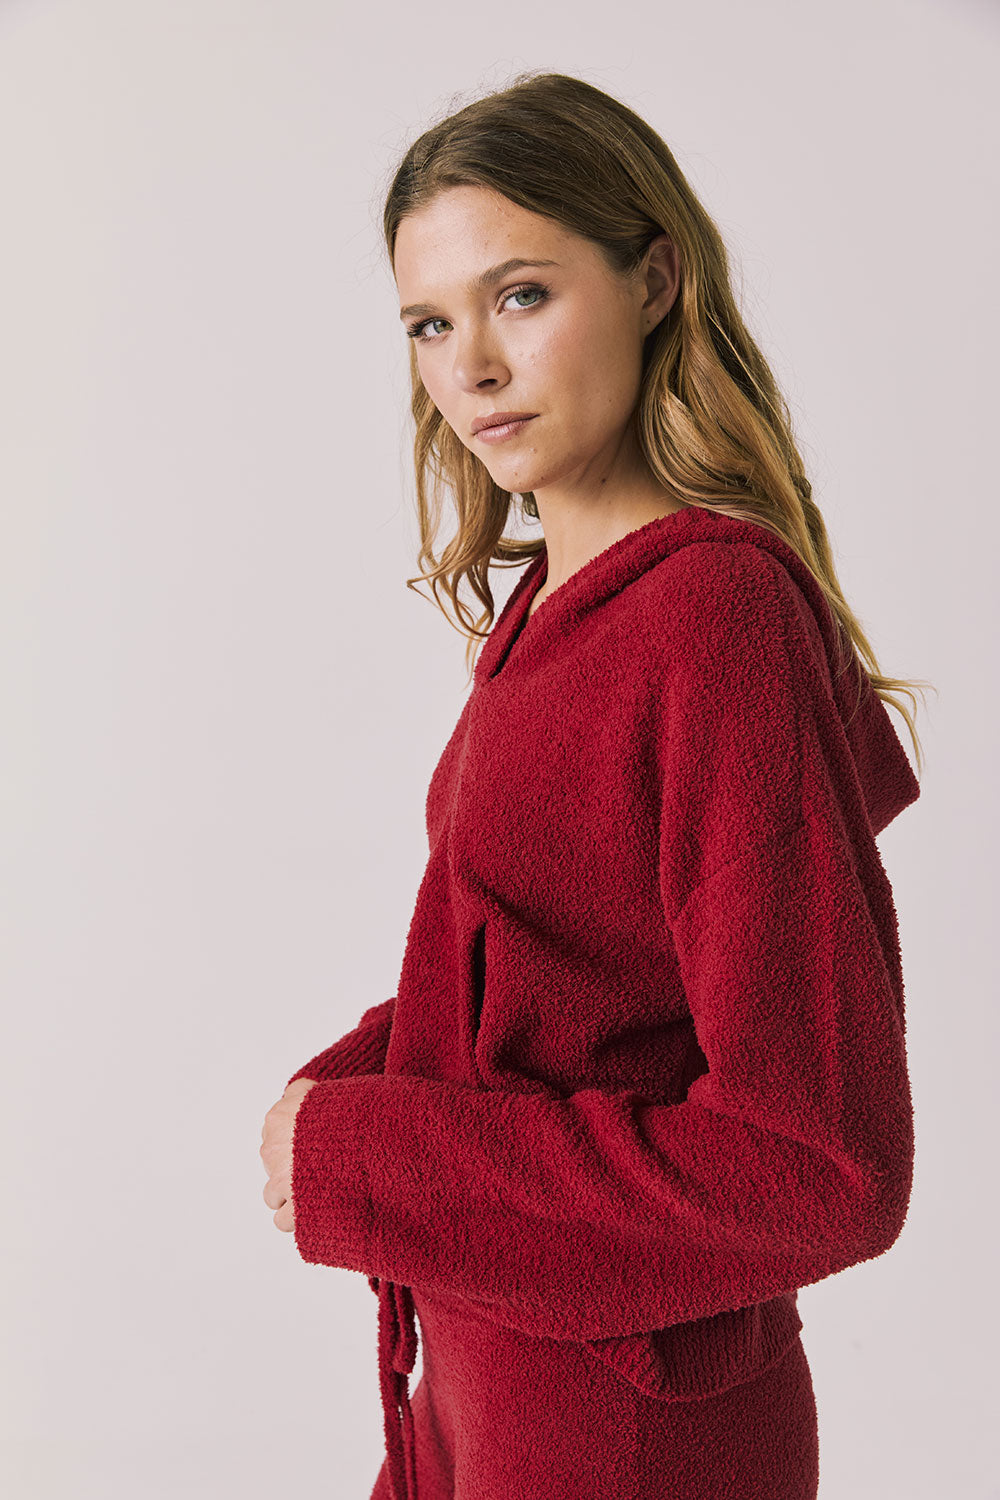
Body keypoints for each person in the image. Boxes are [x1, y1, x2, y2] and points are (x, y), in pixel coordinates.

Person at [259, 71, 929, 1500]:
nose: (470, 369)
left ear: (655, 279)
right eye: (431, 324)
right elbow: (565, 991)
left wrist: (377, 1156)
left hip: (624, 1438)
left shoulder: (714, 617)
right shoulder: (550, 620)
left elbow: (823, 1160)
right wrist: (348, 1094)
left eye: (519, 297)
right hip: (484, 1397)